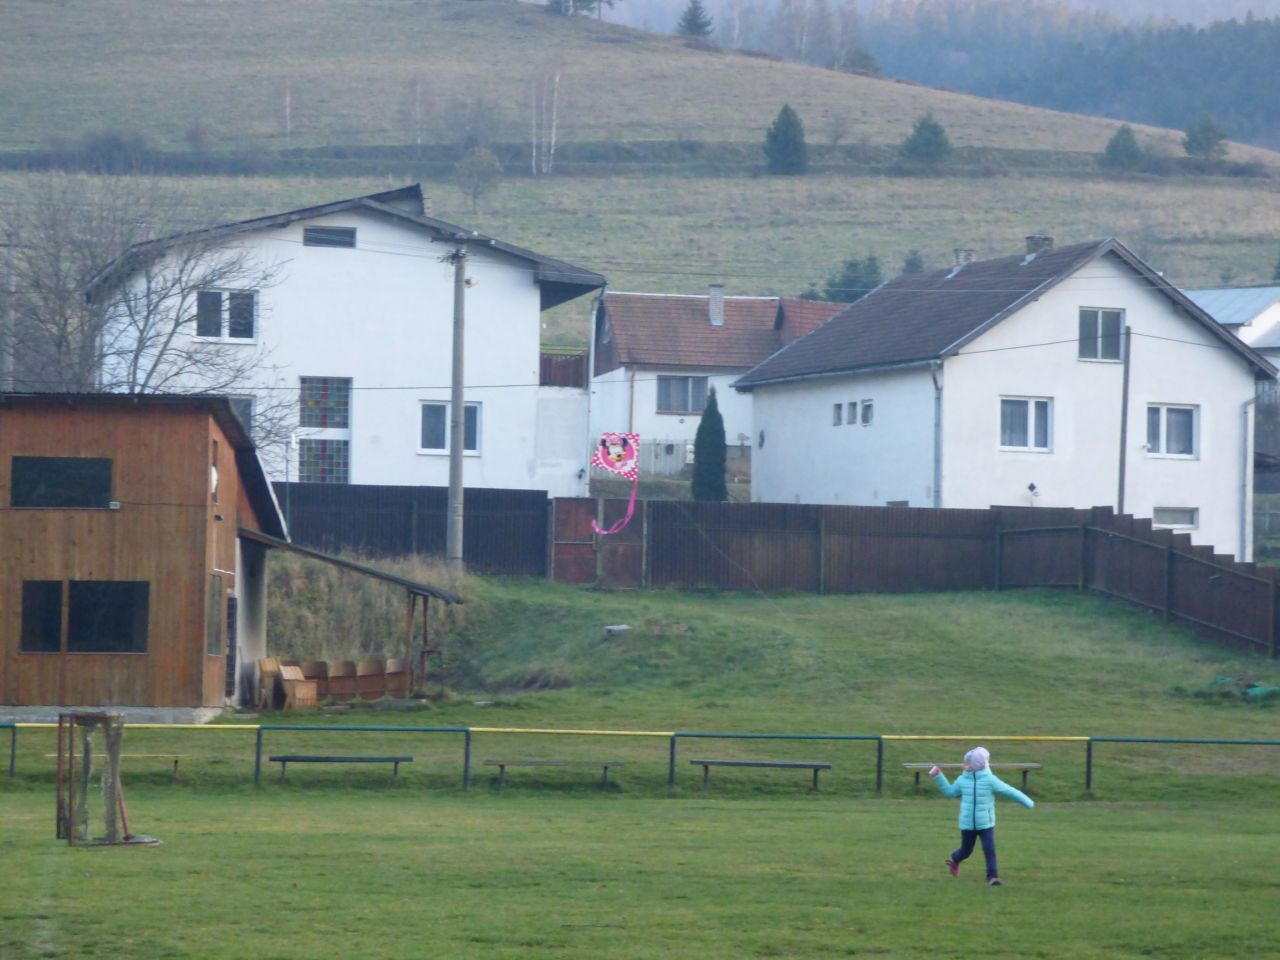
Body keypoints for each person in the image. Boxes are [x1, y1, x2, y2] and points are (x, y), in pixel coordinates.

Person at [929, 746, 1034, 886]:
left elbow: (1010, 792)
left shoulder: (990, 780)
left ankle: (992, 877)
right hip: (967, 824)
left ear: (975, 765)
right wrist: (938, 776)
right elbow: (949, 792)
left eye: (967, 763)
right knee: (966, 851)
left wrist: (1028, 802)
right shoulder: (962, 780)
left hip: (985, 824)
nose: (964, 765)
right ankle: (955, 859)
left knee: (989, 849)